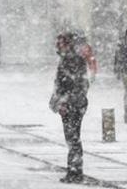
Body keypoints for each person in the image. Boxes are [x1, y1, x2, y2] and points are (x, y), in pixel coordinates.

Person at [49, 32, 89, 184]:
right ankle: (74, 169)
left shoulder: (69, 61)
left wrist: (64, 101)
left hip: (72, 105)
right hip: (75, 104)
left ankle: (75, 171)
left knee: (72, 138)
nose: (58, 47)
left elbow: (70, 85)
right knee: (73, 138)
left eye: (60, 44)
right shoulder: (72, 60)